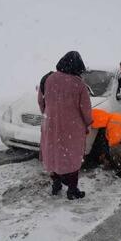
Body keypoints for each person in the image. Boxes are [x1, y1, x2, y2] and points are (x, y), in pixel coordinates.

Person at [37, 51, 92, 200]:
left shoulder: (48, 79)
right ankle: (72, 190)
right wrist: (87, 123)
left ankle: (56, 184)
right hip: (72, 128)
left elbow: (41, 102)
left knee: (53, 153)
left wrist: (49, 115)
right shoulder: (79, 84)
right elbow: (86, 110)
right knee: (72, 156)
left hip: (50, 125)